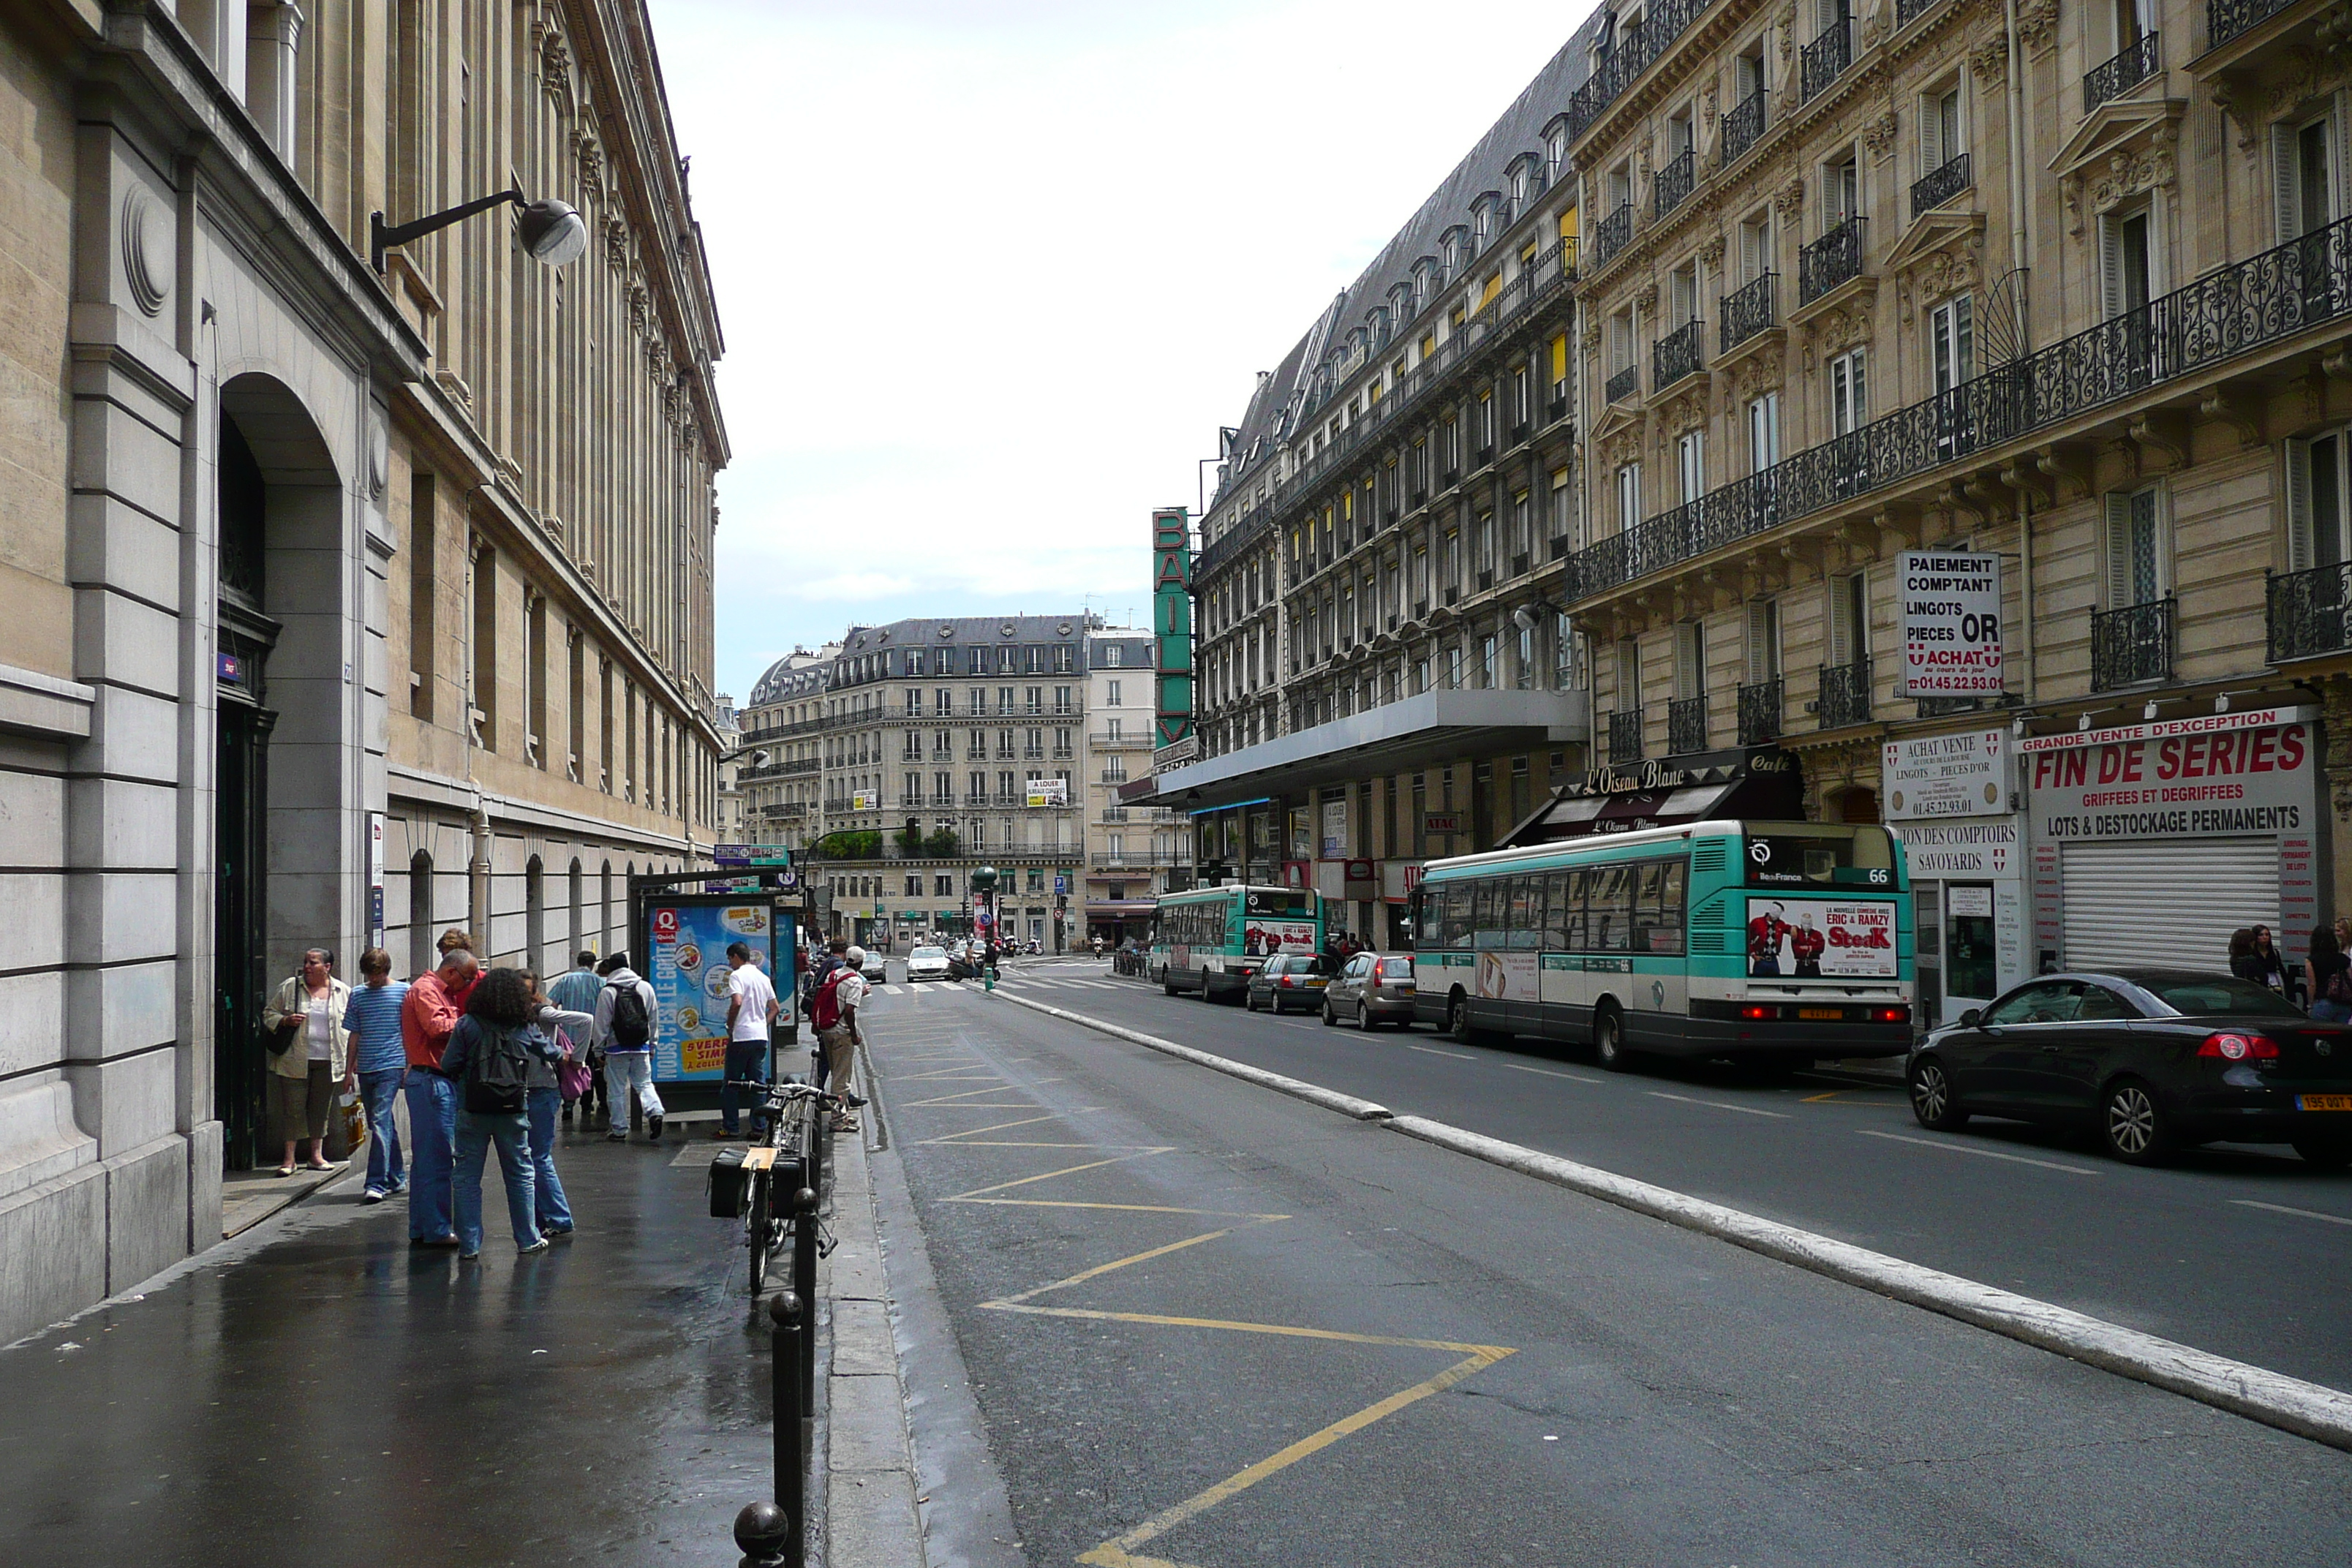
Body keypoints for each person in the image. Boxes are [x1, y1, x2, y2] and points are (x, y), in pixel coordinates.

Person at [441, 967, 562, 1260]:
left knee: (467, 1178)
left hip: (472, 1109)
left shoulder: (467, 1024)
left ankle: (470, 1245)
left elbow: (449, 1064)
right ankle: (527, 1238)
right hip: (512, 1111)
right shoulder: (523, 1027)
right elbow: (553, 1054)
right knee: (520, 1174)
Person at [401, 946, 481, 1247]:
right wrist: (471, 1024)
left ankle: (424, 1226)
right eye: (468, 978)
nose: (469, 985)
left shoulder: (441, 992)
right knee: (436, 1159)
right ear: (451, 972)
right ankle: (435, 1229)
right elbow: (436, 1027)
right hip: (431, 1080)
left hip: (434, 1080)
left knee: (427, 1160)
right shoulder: (426, 990)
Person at [261, 949, 351, 1177]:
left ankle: (316, 1155)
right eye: (306, 962)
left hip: (329, 1061)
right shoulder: (291, 987)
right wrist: (284, 1020)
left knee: (321, 1110)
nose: (308, 967)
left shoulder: (342, 991)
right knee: (293, 1110)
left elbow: (352, 1028)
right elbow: (268, 1014)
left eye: (313, 963)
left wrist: (353, 1061)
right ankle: (289, 1159)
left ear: (327, 967)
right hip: (295, 1060)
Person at [521, 970, 592, 1238]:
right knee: (531, 1158)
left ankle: (559, 1218)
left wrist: (577, 1058)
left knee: (537, 1156)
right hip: (531, 1090)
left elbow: (586, 1020)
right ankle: (544, 1218)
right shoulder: (526, 1015)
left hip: (541, 1089)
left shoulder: (542, 1013)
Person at [341, 948, 410, 1202]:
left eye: (378, 974)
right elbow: (354, 1035)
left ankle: (375, 1184)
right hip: (366, 1067)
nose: (374, 979)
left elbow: (409, 1030)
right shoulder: (358, 994)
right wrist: (348, 1072)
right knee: (380, 1123)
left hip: (391, 1065)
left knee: (380, 1121)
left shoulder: (403, 992)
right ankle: (396, 1176)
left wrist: (409, 1064)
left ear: (386, 970)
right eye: (370, 974)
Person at [592, 951, 663, 1142]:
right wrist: (652, 1045)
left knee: (615, 1089)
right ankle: (655, 1112)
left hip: (616, 1049)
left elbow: (602, 1024)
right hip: (641, 1046)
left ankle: (619, 1129)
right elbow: (653, 1019)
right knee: (644, 1084)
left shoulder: (608, 992)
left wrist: (598, 1050)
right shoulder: (645, 987)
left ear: (611, 969)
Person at [720, 941, 780, 1140]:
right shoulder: (762, 977)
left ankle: (731, 1127)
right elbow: (775, 1008)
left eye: (730, 959)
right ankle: (759, 1127)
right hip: (760, 1037)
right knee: (757, 1085)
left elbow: (736, 1001)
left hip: (742, 1036)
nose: (730, 963)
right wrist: (763, 1024)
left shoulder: (737, 976)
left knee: (731, 1084)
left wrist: (730, 1024)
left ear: (737, 956)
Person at [809, 947, 872, 1134]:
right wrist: (853, 1034)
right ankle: (838, 1120)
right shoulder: (854, 981)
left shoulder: (834, 974)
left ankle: (842, 1113)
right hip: (841, 1032)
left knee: (836, 1071)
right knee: (841, 1078)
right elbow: (850, 1010)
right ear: (860, 963)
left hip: (827, 1029)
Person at [547, 950, 606, 1126]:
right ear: (593, 964)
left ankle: (568, 1105)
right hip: (592, 1035)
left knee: (568, 1071)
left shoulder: (565, 980)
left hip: (569, 1035)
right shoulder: (599, 982)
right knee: (588, 1067)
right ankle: (587, 1103)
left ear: (577, 962)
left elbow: (554, 1005)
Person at [2309, 926, 2352, 1024]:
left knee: (2321, 1035)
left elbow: (2312, 985)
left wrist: (2310, 1005)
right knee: (2342, 1036)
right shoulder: (2343, 959)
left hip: (2323, 1002)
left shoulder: (2311, 960)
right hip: (2344, 1003)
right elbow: (2350, 978)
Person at [2250, 924, 2293, 997]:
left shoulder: (2274, 953)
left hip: (2275, 987)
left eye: (2267, 935)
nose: (2265, 937)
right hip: (2259, 988)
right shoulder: (2251, 954)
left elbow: (2282, 972)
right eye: (2261, 935)